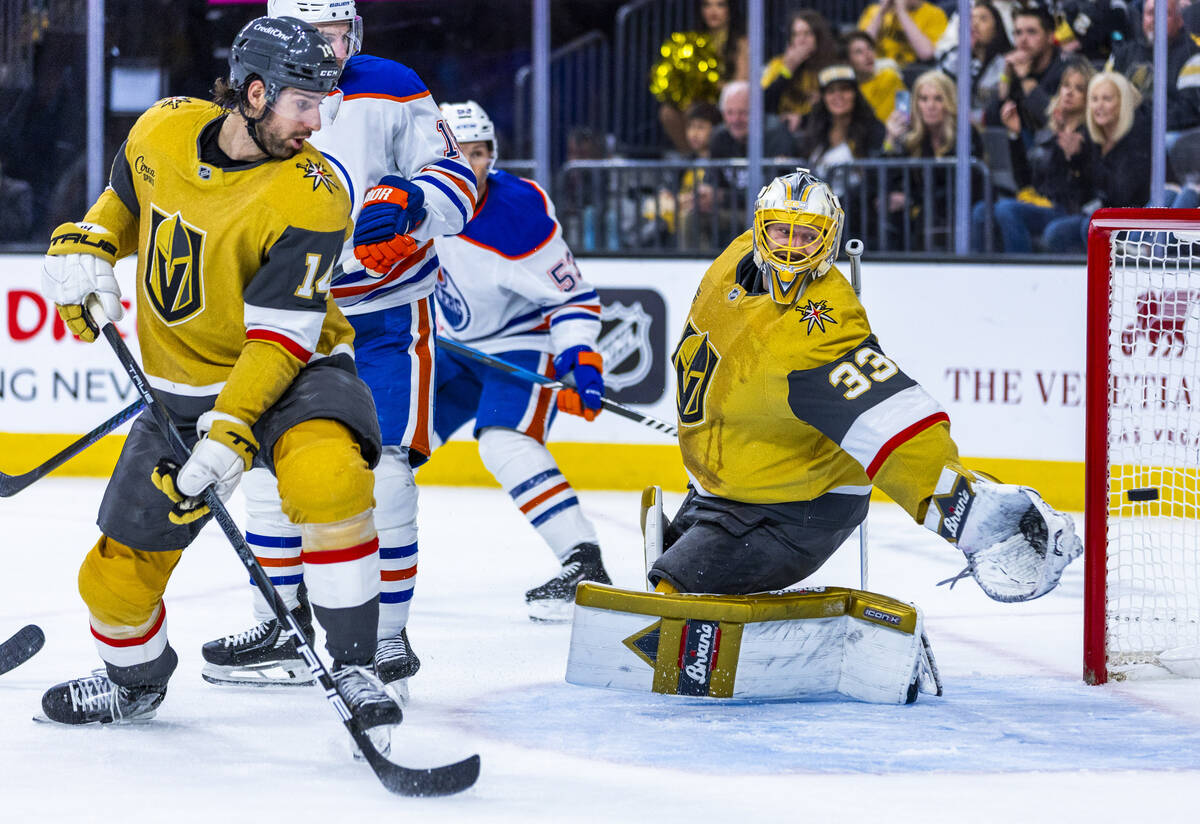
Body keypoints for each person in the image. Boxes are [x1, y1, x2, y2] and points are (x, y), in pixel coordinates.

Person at [36, 16, 405, 736]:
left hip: (297, 376)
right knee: (109, 585)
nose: (317, 123)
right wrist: (87, 247)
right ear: (257, 93)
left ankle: (356, 665)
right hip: (181, 393)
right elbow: (122, 205)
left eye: (325, 105)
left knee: (330, 481)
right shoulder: (162, 129)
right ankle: (133, 682)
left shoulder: (315, 191)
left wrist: (232, 433)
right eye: (305, 104)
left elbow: (279, 339)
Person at [198, 1, 477, 701]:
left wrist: (412, 200)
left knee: (382, 474)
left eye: (338, 33)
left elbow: (459, 177)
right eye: (314, 34)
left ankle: (385, 637)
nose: (330, 48)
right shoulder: (257, 94)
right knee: (268, 471)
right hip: (295, 314)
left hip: (382, 315)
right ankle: (280, 628)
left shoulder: (390, 84)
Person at [654, 168, 1082, 607]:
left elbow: (893, 423)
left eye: (807, 235)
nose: (790, 246)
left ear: (830, 240)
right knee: (663, 572)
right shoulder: (736, 259)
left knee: (670, 591)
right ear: (759, 228)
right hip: (730, 495)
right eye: (781, 231)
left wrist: (973, 515)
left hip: (795, 510)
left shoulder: (821, 328)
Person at [429, 101, 612, 622]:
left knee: (505, 441)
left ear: (494, 156)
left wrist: (581, 363)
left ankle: (584, 564)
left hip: (518, 341)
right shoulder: (414, 198)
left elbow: (573, 297)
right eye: (456, 152)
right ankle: (345, 561)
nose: (469, 164)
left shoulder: (517, 217)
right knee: (390, 443)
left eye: (480, 153)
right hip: (452, 343)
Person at [971, 56, 1096, 252]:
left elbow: (1083, 190)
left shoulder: (1088, 134)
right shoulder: (1048, 129)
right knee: (981, 211)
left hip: (1065, 209)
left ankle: (1019, 272)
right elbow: (1025, 180)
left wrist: (1073, 157)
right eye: (1065, 86)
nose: (1069, 92)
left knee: (1006, 210)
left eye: (1079, 88)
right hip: (1038, 202)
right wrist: (1015, 134)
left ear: (1089, 96)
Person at [1043, 70, 1150, 252]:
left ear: (1122, 103)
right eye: (1094, 99)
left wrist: (1084, 161)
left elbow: (1121, 195)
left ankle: (1104, 280)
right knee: (1056, 232)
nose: (1099, 106)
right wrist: (1074, 159)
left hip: (1134, 217)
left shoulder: (1137, 137)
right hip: (1099, 215)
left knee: (1092, 228)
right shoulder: (1092, 139)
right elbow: (1082, 197)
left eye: (1107, 99)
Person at [883, 70, 983, 250]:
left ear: (949, 102)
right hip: (926, 210)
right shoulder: (913, 138)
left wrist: (913, 199)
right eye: (924, 99)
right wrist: (890, 141)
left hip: (961, 208)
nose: (930, 105)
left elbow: (959, 186)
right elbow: (893, 179)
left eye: (938, 99)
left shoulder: (966, 134)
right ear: (916, 104)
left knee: (927, 211)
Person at [658, 0, 749, 155]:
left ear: (730, 10)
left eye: (720, 5)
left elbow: (740, 86)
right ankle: (691, 161)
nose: (713, 11)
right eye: (707, 5)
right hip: (698, 102)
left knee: (701, 115)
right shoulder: (692, 42)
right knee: (668, 112)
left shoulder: (742, 43)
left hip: (725, 103)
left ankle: (707, 160)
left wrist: (709, 82)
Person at [1107, 0, 1200, 134]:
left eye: (1165, 14)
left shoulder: (1193, 56)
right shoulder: (1122, 53)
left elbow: (1189, 110)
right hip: (1126, 130)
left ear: (1180, 21)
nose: (1156, 20)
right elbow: (1101, 91)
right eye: (1150, 14)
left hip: (1169, 133)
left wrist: (1142, 123)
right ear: (1142, 18)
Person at [794, 65, 886, 197]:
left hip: (858, 209)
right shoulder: (814, 130)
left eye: (844, 89)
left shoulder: (873, 129)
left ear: (855, 94)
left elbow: (874, 178)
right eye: (831, 91)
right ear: (823, 98)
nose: (838, 96)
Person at [986, 4, 1066, 132]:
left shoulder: (1065, 70)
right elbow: (992, 121)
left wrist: (1025, 79)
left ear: (1050, 37)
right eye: (1018, 33)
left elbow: (1053, 121)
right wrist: (1006, 76)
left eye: (1031, 32)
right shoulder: (1015, 68)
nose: (1023, 39)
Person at [761, 9, 837, 133]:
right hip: (782, 129)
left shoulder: (831, 67)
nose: (801, 40)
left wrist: (802, 119)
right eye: (796, 34)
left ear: (819, 37)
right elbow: (764, 105)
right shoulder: (778, 64)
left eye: (807, 34)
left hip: (818, 129)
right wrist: (787, 70)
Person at [937, 1, 1013, 122]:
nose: (974, 24)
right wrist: (965, 51)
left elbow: (1003, 99)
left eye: (983, 19)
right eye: (971, 18)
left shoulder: (1006, 62)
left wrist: (1006, 76)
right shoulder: (954, 56)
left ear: (996, 28)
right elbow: (941, 87)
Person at [857, 0, 948, 71]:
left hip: (911, 70)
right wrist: (881, 12)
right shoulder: (873, 11)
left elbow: (926, 53)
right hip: (876, 69)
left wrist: (901, 12)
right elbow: (860, 47)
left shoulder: (935, 14)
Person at [843, 30, 907, 124]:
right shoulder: (847, 90)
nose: (868, 55)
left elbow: (905, 113)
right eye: (859, 52)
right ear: (847, 61)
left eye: (870, 48)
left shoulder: (890, 77)